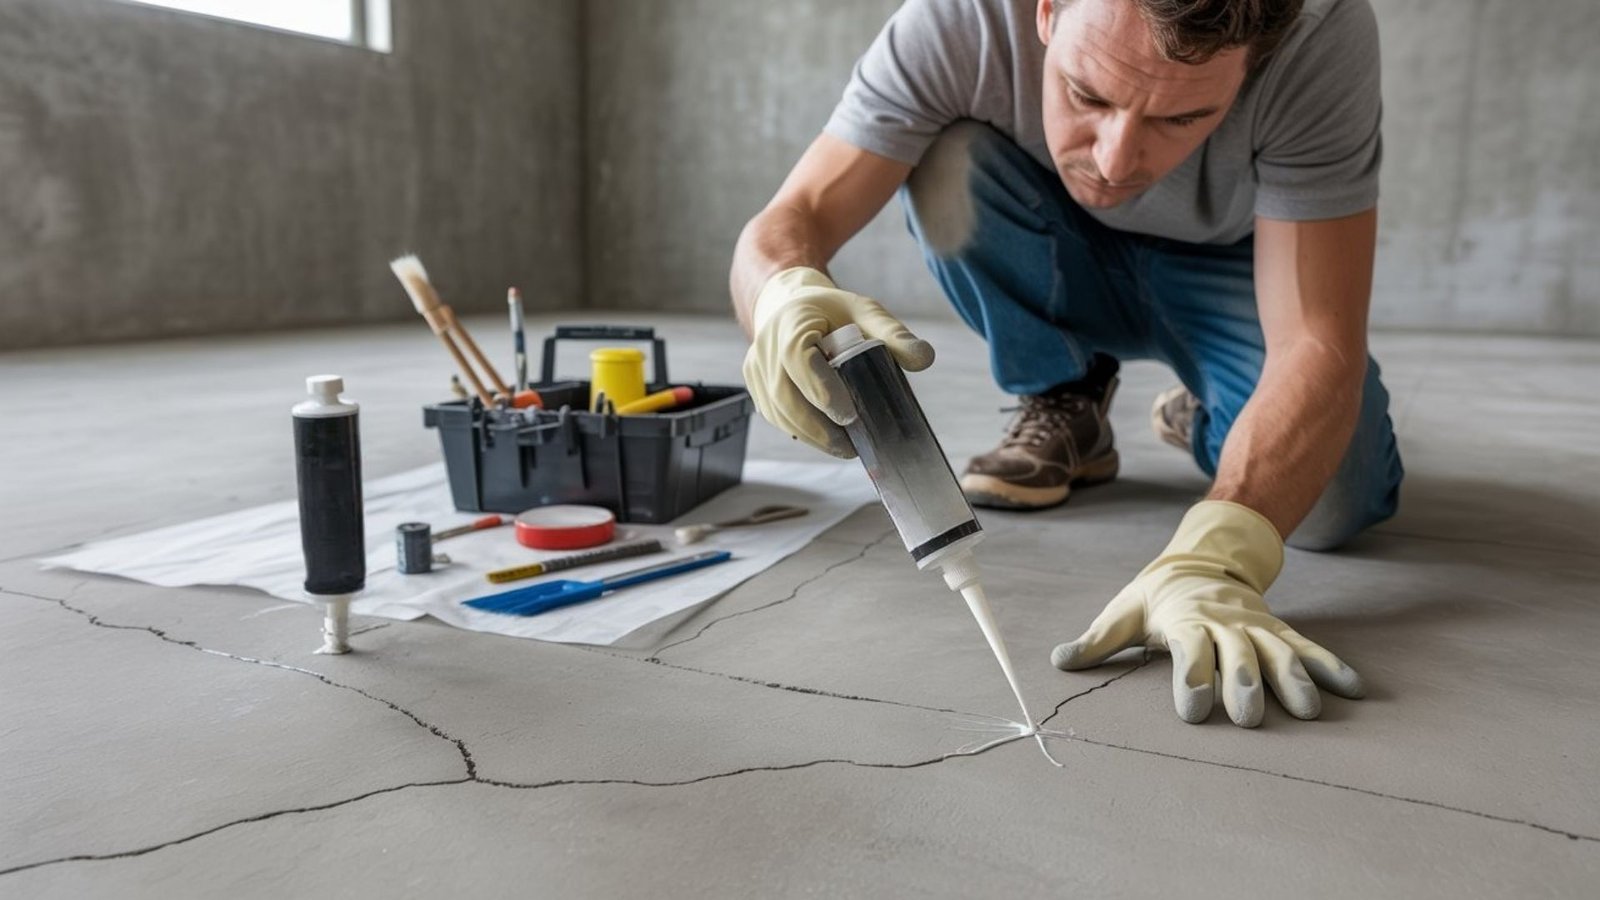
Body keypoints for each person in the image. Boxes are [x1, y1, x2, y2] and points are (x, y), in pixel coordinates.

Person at [730, 0, 1404, 728]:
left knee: (1332, 501)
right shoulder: (964, 17)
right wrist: (781, 297)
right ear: (1048, 10)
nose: (1116, 162)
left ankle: (1211, 411)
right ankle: (1066, 395)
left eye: (1181, 118)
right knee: (947, 164)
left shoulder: (1318, 31)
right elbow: (790, 216)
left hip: (1237, 266)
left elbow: (1313, 340)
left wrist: (1221, 555)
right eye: (1089, 94)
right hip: (1048, 239)